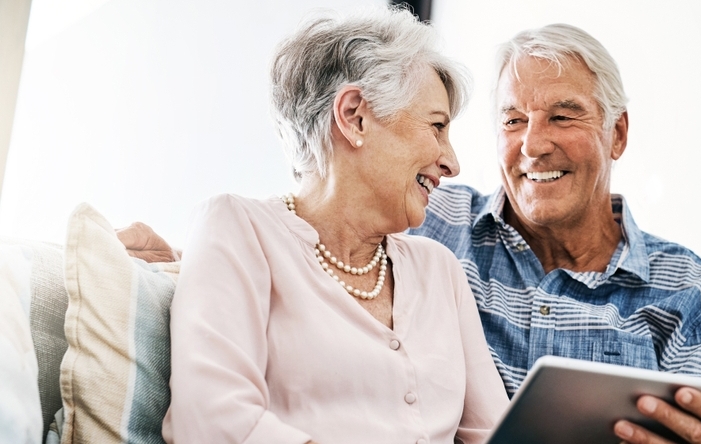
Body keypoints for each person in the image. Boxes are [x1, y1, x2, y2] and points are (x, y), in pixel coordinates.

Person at [121, 21, 701, 444]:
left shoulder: (435, 261)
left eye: (563, 116)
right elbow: (308, 222)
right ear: (355, 117)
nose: (530, 145)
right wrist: (184, 264)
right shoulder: (424, 219)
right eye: (511, 120)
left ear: (617, 133)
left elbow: (493, 435)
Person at [159, 8, 508, 443]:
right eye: (436, 127)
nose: (452, 163)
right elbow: (210, 420)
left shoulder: (440, 270)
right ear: (354, 116)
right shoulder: (238, 229)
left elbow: (498, 435)